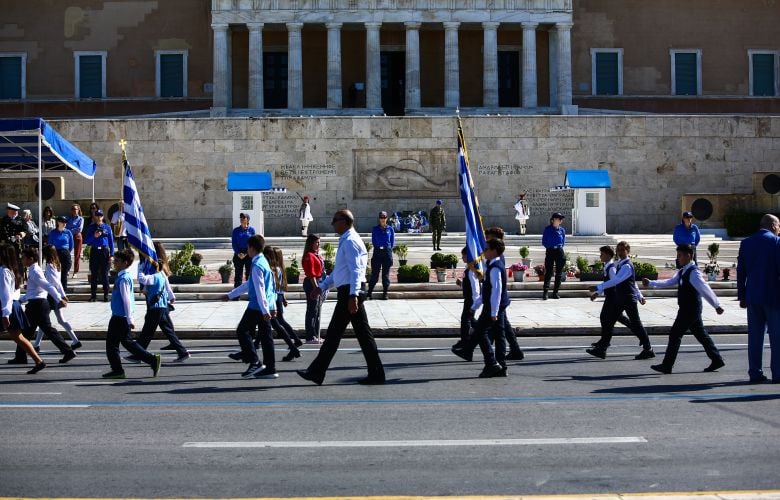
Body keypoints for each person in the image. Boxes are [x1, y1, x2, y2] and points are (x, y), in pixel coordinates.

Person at [297, 209, 385, 386]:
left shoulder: (351, 241)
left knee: (340, 335)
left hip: (351, 293)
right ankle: (375, 373)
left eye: (335, 220)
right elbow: (339, 272)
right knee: (354, 335)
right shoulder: (346, 240)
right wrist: (321, 287)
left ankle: (317, 372)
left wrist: (353, 295)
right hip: (349, 292)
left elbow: (356, 270)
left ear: (344, 221)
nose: (332, 223)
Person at [643, 244, 725, 374]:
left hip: (690, 309)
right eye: (678, 255)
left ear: (689, 255)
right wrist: (652, 283)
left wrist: (717, 305)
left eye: (680, 255)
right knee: (701, 334)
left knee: (675, 334)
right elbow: (670, 282)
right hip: (688, 308)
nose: (678, 258)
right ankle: (717, 359)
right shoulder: (683, 271)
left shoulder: (693, 272)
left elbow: (704, 289)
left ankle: (667, 365)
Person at [587, 241, 655, 360]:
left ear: (628, 251)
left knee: (635, 323)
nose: (620, 252)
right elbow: (631, 282)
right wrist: (640, 295)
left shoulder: (627, 266)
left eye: (622, 250)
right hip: (620, 298)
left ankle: (648, 348)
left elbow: (616, 281)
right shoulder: (620, 264)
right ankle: (602, 349)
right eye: (618, 250)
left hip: (628, 299)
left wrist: (598, 288)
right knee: (609, 321)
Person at [452, 238, 510, 378]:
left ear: (494, 250)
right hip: (495, 304)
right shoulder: (493, 265)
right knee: (499, 334)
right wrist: (476, 305)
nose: (484, 252)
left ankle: (491, 363)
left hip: (492, 306)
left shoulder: (495, 268)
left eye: (487, 249)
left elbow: (496, 290)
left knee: (480, 332)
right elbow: (487, 289)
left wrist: (494, 311)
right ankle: (501, 366)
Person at [224, 234, 279, 380]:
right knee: (266, 338)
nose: (247, 250)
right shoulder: (263, 262)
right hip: (264, 306)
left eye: (248, 247)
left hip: (257, 306)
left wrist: (265, 310)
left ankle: (254, 361)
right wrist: (231, 294)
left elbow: (260, 289)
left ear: (252, 248)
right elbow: (269, 286)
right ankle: (270, 368)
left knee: (242, 331)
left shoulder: (256, 265)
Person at [102, 248, 162, 379]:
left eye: (117, 261)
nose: (114, 263)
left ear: (125, 262)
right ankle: (151, 360)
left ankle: (118, 370)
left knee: (112, 345)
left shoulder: (123, 278)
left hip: (120, 317)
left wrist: (130, 319)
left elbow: (127, 299)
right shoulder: (123, 276)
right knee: (128, 343)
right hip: (120, 316)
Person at [13, 247, 75, 365]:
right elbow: (34, 291)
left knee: (26, 332)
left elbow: (49, 286)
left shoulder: (35, 271)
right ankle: (67, 351)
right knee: (40, 331)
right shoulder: (33, 270)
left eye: (23, 257)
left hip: (37, 306)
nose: (21, 260)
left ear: (31, 259)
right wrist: (21, 300)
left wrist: (59, 299)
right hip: (38, 304)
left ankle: (21, 356)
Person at [737, 214, 780, 384]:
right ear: (774, 226)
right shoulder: (776, 242)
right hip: (773, 295)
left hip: (752, 295)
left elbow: (741, 272)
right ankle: (777, 373)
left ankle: (755, 372)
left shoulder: (746, 243)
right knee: (777, 337)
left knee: (755, 336)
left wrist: (742, 295)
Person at [131, 242, 191, 363]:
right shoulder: (158, 271)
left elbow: (144, 279)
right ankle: (182, 352)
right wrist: (171, 296)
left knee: (148, 331)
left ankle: (139, 354)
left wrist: (140, 269)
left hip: (156, 305)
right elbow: (166, 284)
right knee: (166, 329)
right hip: (159, 304)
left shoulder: (155, 274)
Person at [0, 244, 45, 373]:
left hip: (8, 307)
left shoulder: (4, 271)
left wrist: (5, 314)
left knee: (19, 337)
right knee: (18, 337)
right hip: (11, 306)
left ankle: (38, 361)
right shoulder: (12, 270)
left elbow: (5, 295)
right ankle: (38, 361)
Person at [483, 226, 524, 360]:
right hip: (499, 299)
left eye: (488, 238)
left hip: (498, 299)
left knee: (495, 329)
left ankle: (491, 355)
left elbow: (497, 286)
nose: (486, 241)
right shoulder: (496, 256)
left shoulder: (497, 257)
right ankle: (515, 350)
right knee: (503, 326)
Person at [32, 245, 81, 352]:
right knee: (47, 320)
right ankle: (37, 344)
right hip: (54, 294)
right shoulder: (56, 263)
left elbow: (56, 282)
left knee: (47, 320)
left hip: (52, 295)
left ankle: (75, 340)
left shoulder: (50, 265)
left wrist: (63, 295)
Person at [586, 245, 633, 351]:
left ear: (607, 255)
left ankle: (604, 342)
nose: (600, 256)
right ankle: (639, 333)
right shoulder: (607, 266)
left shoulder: (611, 268)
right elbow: (606, 282)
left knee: (605, 318)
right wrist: (598, 293)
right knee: (619, 318)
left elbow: (613, 282)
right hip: (611, 296)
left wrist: (598, 290)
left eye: (602, 254)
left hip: (613, 297)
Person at [262, 246, 302, 363]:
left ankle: (295, 340)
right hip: (277, 296)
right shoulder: (278, 268)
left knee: (278, 321)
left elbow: (275, 287)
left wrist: (280, 298)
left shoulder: (275, 269)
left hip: (275, 298)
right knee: (274, 322)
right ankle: (254, 345)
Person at [454, 246, 480, 349]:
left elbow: (475, 288)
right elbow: (469, 285)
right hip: (469, 298)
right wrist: (461, 284)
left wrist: (475, 304)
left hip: (471, 299)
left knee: (465, 319)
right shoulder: (468, 268)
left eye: (463, 255)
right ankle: (484, 334)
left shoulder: (471, 270)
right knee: (471, 320)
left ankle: (465, 340)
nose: (462, 258)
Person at [84, 209, 114, 302]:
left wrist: (112, 254)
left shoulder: (107, 227)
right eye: (97, 215)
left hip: (104, 251)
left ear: (103, 217)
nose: (99, 217)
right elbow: (87, 241)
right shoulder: (91, 227)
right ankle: (93, 296)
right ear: (94, 217)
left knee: (105, 274)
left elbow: (111, 242)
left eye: (100, 216)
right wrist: (94, 236)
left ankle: (106, 295)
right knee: (94, 274)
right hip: (95, 251)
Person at [301, 234, 325, 344]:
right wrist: (316, 288)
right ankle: (310, 335)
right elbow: (311, 274)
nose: (318, 244)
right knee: (312, 310)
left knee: (316, 310)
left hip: (318, 282)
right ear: (311, 243)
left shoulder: (316, 254)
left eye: (319, 242)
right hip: (312, 283)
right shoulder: (309, 256)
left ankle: (315, 334)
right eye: (316, 242)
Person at [367, 210, 394, 300]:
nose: (383, 219)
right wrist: (379, 247)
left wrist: (388, 249)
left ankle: (385, 293)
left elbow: (392, 242)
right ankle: (369, 292)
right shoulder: (375, 229)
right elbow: (374, 241)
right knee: (375, 274)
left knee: (385, 275)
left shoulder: (390, 229)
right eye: (381, 217)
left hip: (387, 252)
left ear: (387, 218)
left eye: (384, 217)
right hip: (378, 252)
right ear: (379, 219)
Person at [541, 212, 566, 300]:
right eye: (558, 218)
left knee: (559, 273)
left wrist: (559, 247)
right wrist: (550, 247)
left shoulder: (562, 230)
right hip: (550, 251)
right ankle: (545, 292)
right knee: (549, 272)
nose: (560, 220)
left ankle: (555, 292)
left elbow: (563, 242)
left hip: (559, 251)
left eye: (561, 219)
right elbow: (544, 241)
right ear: (553, 220)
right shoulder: (547, 229)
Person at [47, 215, 73, 291]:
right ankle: (55, 288)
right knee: (55, 272)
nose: (64, 224)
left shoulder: (68, 232)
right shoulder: (53, 232)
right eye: (62, 222)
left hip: (65, 252)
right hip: (56, 253)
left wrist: (67, 251)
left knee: (64, 271)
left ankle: (64, 288)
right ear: (58, 222)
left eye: (65, 222)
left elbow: (71, 244)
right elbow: (50, 243)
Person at [231, 213, 255, 288]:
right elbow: (234, 243)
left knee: (249, 274)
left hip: (249, 254)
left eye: (244, 218)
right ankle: (236, 295)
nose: (242, 219)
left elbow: (253, 243)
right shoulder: (236, 230)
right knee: (238, 275)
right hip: (238, 254)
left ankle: (250, 293)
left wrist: (246, 253)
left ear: (247, 220)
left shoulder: (251, 230)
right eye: (241, 218)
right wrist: (238, 253)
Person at [66, 204, 84, 276]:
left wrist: (70, 230)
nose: (74, 211)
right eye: (73, 209)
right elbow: (66, 227)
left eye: (75, 209)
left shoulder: (81, 219)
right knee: (67, 253)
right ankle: (67, 269)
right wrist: (71, 230)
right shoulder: (68, 219)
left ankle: (75, 271)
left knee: (77, 254)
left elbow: (79, 229)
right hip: (69, 237)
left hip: (77, 237)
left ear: (78, 210)